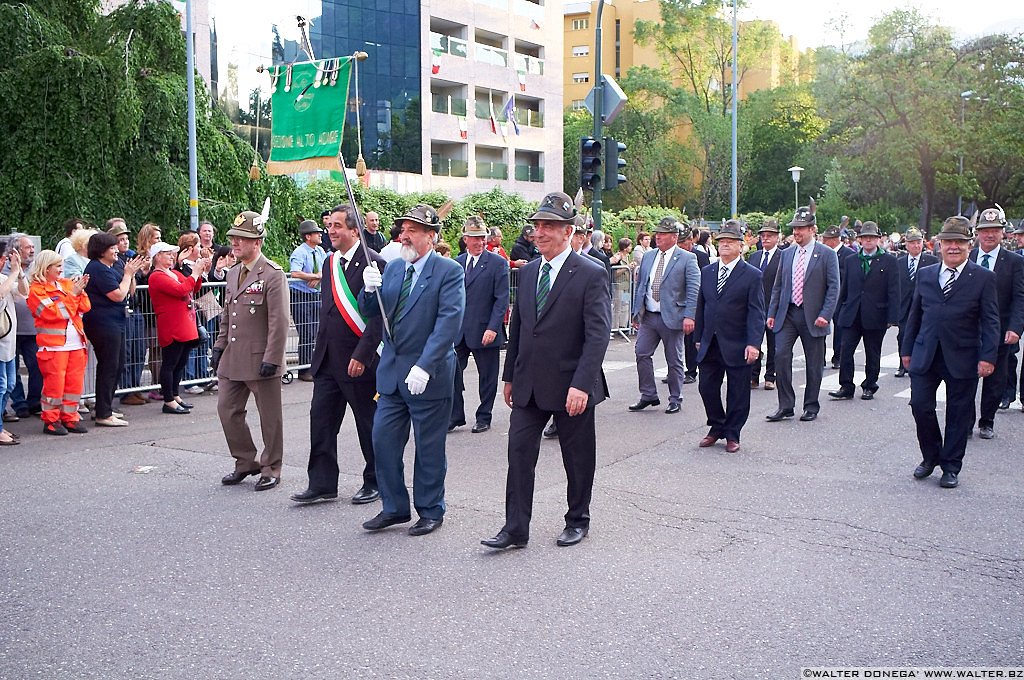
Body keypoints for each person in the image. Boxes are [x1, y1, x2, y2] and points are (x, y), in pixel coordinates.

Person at [481, 192, 611, 550]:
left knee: (578, 457)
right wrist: (509, 377)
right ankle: (515, 528)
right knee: (519, 454)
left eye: (548, 227)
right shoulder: (529, 272)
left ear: (568, 232)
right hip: (529, 384)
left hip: (572, 384)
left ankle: (577, 519)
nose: (539, 233)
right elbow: (520, 329)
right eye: (537, 226)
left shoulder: (590, 274)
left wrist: (582, 385)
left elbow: (598, 335)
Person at [358, 203, 464, 536]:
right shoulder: (392, 269)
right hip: (391, 374)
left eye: (413, 230)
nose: (405, 235)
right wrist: (368, 289)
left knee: (429, 447)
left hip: (427, 376)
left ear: (431, 237)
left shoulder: (448, 271)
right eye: (404, 229)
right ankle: (394, 507)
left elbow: (448, 323)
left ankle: (431, 509)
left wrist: (425, 365)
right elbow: (373, 312)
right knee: (383, 441)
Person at [291, 204, 385, 506]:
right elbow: (328, 311)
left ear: (354, 230)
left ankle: (376, 481)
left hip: (359, 361)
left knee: (368, 424)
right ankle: (321, 483)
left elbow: (378, 319)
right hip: (328, 359)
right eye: (329, 226)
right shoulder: (330, 263)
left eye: (337, 226)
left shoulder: (374, 264)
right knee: (321, 421)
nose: (330, 231)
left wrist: (362, 354)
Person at [901, 216, 1000, 489]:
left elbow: (991, 321)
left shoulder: (983, 278)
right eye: (948, 242)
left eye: (959, 242)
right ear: (939, 245)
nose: (953, 247)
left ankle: (951, 465)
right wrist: (906, 350)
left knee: (958, 414)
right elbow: (915, 315)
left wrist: (988, 356)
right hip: (926, 353)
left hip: (963, 355)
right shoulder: (926, 274)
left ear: (970, 245)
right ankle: (931, 456)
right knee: (920, 406)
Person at [214, 206, 289, 491]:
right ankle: (245, 461)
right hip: (234, 357)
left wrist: (273, 358)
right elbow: (227, 314)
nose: (234, 243)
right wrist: (219, 347)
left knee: (270, 417)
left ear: (257, 242)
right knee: (227, 410)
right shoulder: (233, 274)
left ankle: (271, 466)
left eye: (241, 238)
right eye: (233, 238)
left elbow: (278, 321)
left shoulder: (272, 274)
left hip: (261, 358)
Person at [693, 220, 765, 453]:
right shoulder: (708, 271)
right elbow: (701, 305)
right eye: (721, 241)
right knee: (706, 387)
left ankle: (733, 433)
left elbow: (756, 311)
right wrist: (699, 336)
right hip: (710, 341)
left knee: (738, 391)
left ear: (740, 246)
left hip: (737, 342)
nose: (724, 245)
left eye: (730, 241)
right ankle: (717, 425)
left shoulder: (752, 275)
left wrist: (754, 343)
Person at [765, 201, 840, 423]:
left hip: (814, 316)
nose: (796, 232)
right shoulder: (787, 254)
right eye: (794, 228)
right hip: (788, 313)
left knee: (813, 363)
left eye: (801, 228)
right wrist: (772, 312)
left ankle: (810, 406)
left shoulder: (826, 254)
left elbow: (834, 287)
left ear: (812, 229)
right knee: (780, 356)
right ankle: (786, 405)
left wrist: (825, 314)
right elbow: (778, 285)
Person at [629, 217, 699, 415]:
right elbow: (642, 286)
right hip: (650, 316)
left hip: (673, 316)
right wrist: (636, 313)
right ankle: (648, 394)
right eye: (657, 233)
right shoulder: (649, 256)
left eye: (663, 234)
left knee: (674, 360)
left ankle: (675, 398)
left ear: (674, 237)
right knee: (641, 352)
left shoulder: (687, 258)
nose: (657, 236)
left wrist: (690, 316)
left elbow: (694, 289)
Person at [968, 206, 1024, 440]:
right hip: (968, 330)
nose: (990, 235)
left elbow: (1020, 297)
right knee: (965, 377)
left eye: (995, 230)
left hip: (999, 330)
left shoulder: (1014, 262)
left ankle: (987, 421)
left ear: (1003, 233)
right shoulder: (967, 256)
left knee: (995, 377)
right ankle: (966, 420)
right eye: (985, 230)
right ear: (978, 233)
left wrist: (1015, 327)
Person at [450, 216, 509, 434]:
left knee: (487, 377)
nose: (480, 242)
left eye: (482, 238)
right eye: (475, 238)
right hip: (458, 331)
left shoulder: (497, 263)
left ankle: (484, 416)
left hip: (485, 329)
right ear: (465, 239)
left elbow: (501, 299)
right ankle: (455, 415)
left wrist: (493, 327)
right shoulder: (456, 264)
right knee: (452, 373)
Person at [828, 221, 901, 401]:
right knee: (845, 351)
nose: (868, 241)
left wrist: (893, 317)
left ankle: (869, 385)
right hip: (852, 313)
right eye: (865, 238)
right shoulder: (851, 260)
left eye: (872, 238)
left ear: (877, 239)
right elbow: (844, 288)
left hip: (876, 314)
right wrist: (838, 311)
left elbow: (894, 290)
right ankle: (846, 385)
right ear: (860, 240)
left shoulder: (889, 261)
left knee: (872, 352)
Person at [83, 232, 146, 427]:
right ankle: (103, 413)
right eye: (112, 247)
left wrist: (131, 274)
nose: (116, 250)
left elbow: (130, 291)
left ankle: (104, 408)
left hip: (116, 321)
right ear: (102, 251)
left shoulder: (111, 266)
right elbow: (118, 295)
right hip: (103, 322)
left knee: (117, 365)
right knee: (109, 366)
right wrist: (127, 274)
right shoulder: (97, 268)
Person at [27, 250, 91, 435]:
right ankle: (51, 420)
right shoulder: (37, 291)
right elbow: (54, 314)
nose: (62, 270)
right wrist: (74, 294)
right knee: (54, 386)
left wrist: (79, 291)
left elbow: (85, 306)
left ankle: (70, 418)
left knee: (74, 384)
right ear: (46, 268)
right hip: (54, 346)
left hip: (76, 343)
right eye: (58, 266)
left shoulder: (65, 284)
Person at [149, 241, 210, 415]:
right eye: (167, 253)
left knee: (180, 362)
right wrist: (195, 273)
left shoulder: (173, 272)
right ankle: (168, 399)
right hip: (172, 323)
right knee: (170, 363)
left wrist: (199, 273)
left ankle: (175, 395)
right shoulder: (157, 276)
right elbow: (181, 290)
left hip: (184, 322)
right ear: (157, 256)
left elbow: (192, 288)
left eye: (172, 253)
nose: (172, 256)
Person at [4, 235, 41, 419]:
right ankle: (19, 405)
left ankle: (35, 402)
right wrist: (14, 271)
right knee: (12, 372)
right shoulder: (4, 270)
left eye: (33, 247)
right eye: (28, 247)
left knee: (36, 366)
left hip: (32, 328)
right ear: (16, 251)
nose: (32, 250)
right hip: (10, 331)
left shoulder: (36, 270)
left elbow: (26, 293)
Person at [894, 228, 939, 378]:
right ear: (906, 244)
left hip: (924, 305)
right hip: (904, 306)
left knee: (923, 335)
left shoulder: (932, 261)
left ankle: (921, 362)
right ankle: (902, 364)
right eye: (912, 243)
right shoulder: (899, 262)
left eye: (918, 242)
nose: (916, 246)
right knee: (903, 335)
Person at [289, 219, 327, 382]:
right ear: (307, 236)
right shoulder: (299, 252)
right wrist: (315, 276)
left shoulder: (319, 251)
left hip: (315, 295)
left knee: (316, 332)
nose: (320, 235)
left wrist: (318, 277)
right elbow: (295, 273)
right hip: (301, 295)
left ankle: (314, 365)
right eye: (316, 233)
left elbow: (326, 269)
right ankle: (304, 369)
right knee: (306, 333)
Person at [747, 220, 782, 390]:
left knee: (773, 343)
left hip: (773, 306)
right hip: (755, 307)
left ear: (777, 238)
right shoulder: (754, 256)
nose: (766, 239)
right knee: (754, 341)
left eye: (770, 236)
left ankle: (770, 376)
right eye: (763, 236)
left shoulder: (782, 256)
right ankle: (753, 376)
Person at [0, 244, 28, 445]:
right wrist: (14, 272)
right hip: (1, 344)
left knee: (8, 384)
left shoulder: (5, 278)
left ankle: (0, 424)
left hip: (8, 344)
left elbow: (24, 292)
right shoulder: (4, 280)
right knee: (1, 386)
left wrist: (19, 274)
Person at [821, 224, 857, 369]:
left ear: (834, 240)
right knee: (820, 327)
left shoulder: (848, 254)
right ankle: (820, 357)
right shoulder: (823, 253)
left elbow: (848, 275)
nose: (823, 241)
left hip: (841, 297)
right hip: (823, 295)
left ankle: (838, 356)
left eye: (826, 239)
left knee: (840, 328)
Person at [136, 223, 164, 402]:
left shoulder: (158, 257)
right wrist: (144, 272)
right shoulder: (139, 258)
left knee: (158, 350)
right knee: (148, 349)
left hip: (157, 310)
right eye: (157, 238)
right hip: (146, 311)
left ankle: (158, 383)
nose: (160, 241)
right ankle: (137, 387)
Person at [678, 225, 710, 385]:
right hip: (678, 302)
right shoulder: (674, 256)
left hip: (695, 302)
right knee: (677, 340)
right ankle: (676, 370)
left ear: (690, 241)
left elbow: (704, 280)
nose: (680, 246)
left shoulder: (699, 256)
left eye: (682, 242)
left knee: (692, 339)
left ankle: (692, 370)